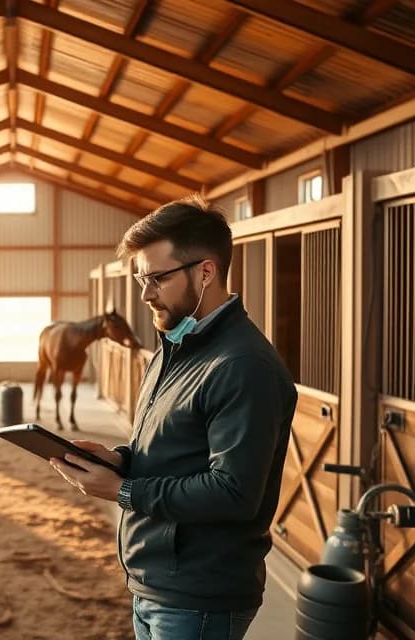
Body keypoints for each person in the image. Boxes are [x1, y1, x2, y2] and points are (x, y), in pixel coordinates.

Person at [49, 194, 297, 640]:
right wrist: (122, 460)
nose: (145, 294)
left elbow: (233, 493)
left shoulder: (242, 365)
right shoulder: (173, 348)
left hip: (198, 595)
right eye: (143, 278)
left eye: (158, 279)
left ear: (206, 271)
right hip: (157, 582)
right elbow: (177, 449)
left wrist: (124, 490)